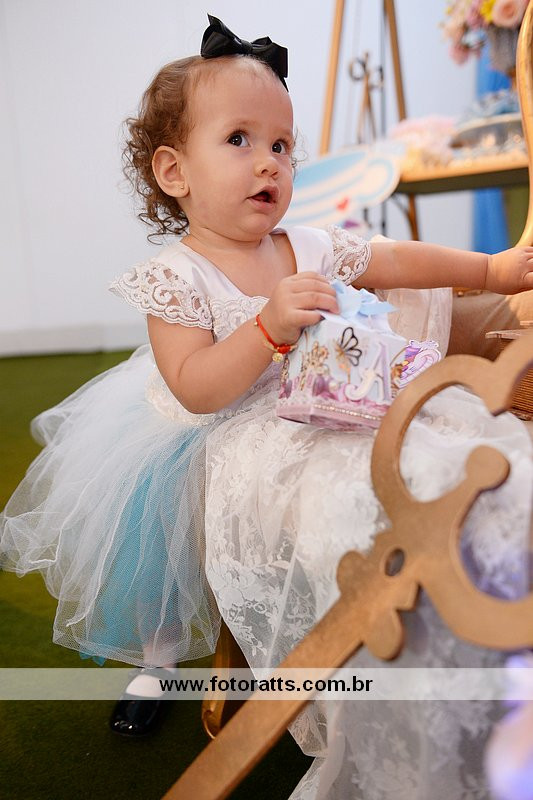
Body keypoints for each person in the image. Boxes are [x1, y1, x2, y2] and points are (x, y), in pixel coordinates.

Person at [1, 14, 532, 794]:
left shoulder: (305, 244)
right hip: (207, 431)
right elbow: (196, 385)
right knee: (164, 560)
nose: (268, 163)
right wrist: (266, 328)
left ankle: (460, 617)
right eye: (239, 140)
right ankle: (156, 667)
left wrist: (488, 270)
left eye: (281, 145)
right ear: (174, 172)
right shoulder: (175, 277)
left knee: (433, 453)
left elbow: (392, 259)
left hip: (323, 405)